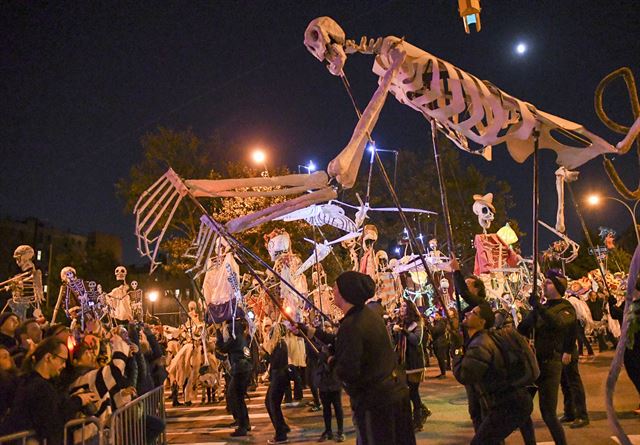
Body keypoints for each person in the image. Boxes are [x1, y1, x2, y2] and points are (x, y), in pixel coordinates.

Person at [306, 271, 415, 445]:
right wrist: (311, 332)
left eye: (335, 287)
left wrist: (330, 360)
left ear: (344, 293)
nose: (332, 291)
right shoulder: (366, 315)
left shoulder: (352, 325)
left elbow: (348, 371)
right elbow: (341, 340)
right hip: (392, 394)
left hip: (376, 404)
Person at [453, 303, 534, 445]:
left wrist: (457, 350)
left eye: (473, 313)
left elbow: (464, 375)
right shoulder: (485, 339)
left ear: (481, 322)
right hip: (512, 401)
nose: (466, 314)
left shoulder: (480, 344)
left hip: (508, 404)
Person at [0, 337, 98, 445]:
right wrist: (78, 401)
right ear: (48, 357)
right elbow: (52, 422)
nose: (64, 365)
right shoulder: (39, 387)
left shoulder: (30, 381)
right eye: (62, 360)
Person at [518, 269, 577, 445]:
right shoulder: (541, 308)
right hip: (533, 366)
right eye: (544, 281)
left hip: (550, 364)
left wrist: (539, 307)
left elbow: (559, 324)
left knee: (548, 413)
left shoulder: (566, 307)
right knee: (521, 409)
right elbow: (522, 328)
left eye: (549, 282)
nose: (544, 284)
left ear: (559, 286)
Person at [393, 299, 430, 431]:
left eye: (404, 306)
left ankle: (418, 421)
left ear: (410, 308)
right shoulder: (399, 322)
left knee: (413, 392)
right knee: (405, 392)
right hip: (403, 363)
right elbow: (396, 343)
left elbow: (416, 341)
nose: (401, 308)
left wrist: (403, 331)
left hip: (414, 363)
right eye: (400, 306)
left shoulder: (417, 322)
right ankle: (421, 412)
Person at [216, 315, 253, 437]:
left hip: (240, 370)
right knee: (238, 398)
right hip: (244, 368)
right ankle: (244, 423)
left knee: (234, 396)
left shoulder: (235, 338)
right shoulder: (240, 336)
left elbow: (223, 347)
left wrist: (218, 332)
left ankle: (242, 425)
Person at [263, 322, 290, 444]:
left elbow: (275, 363)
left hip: (279, 376)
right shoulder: (278, 345)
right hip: (277, 376)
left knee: (273, 404)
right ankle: (282, 427)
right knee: (270, 403)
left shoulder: (280, 345)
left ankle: (281, 434)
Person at [428, 310, 449, 379]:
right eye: (435, 315)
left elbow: (435, 331)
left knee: (441, 358)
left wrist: (430, 324)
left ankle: (443, 373)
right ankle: (442, 372)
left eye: (437, 315)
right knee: (439, 358)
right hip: (437, 342)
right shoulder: (437, 322)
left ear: (440, 316)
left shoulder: (441, 323)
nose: (435, 316)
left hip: (440, 343)